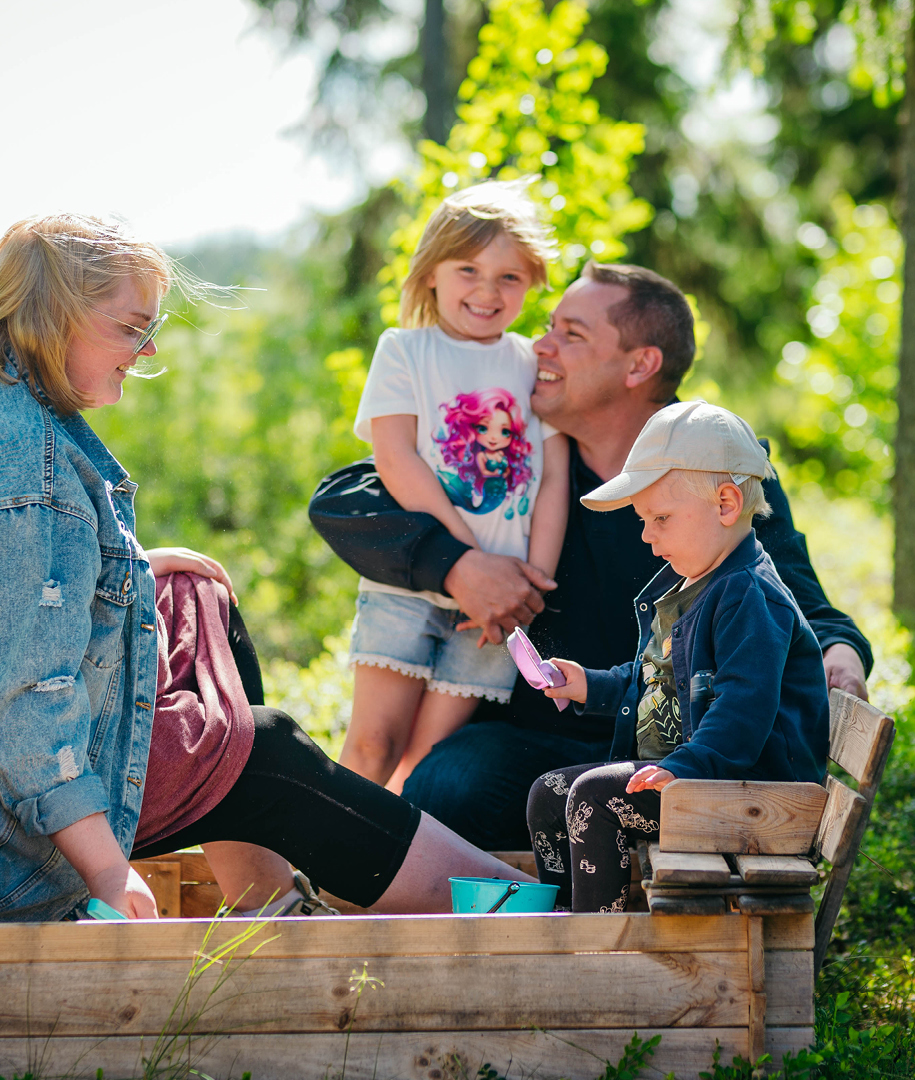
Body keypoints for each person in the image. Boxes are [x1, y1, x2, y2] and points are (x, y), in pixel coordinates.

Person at [0, 213, 528, 924]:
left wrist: (135, 568)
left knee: (198, 597)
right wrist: (104, 870)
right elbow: (26, 698)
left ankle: (277, 919)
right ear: (50, 319)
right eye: (131, 328)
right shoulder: (17, 469)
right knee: (268, 756)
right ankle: (525, 915)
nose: (149, 349)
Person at [310, 262, 873, 851]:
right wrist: (457, 564)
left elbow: (797, 601)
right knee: (446, 783)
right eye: (547, 326)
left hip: (681, 744)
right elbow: (344, 498)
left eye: (570, 335)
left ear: (640, 365)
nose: (539, 346)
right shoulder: (519, 462)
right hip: (543, 732)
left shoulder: (715, 464)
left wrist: (840, 653)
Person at [525, 401, 832, 912]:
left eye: (660, 518)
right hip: (708, 778)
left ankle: (598, 949)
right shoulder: (695, 584)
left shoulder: (748, 595)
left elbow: (743, 709)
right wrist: (588, 684)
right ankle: (562, 921)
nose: (646, 536)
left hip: (755, 799)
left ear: (726, 504)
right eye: (644, 520)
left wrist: (686, 766)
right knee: (549, 792)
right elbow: (658, 680)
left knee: (594, 798)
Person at [338, 180, 570, 794]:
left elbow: (552, 480)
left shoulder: (532, 364)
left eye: (510, 277)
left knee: (426, 761)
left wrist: (528, 583)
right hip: (407, 589)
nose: (488, 291)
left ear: (533, 282)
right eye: (468, 269)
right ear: (432, 271)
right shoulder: (405, 352)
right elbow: (395, 459)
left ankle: (388, 883)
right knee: (371, 745)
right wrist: (469, 559)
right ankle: (327, 877)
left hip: (500, 610)